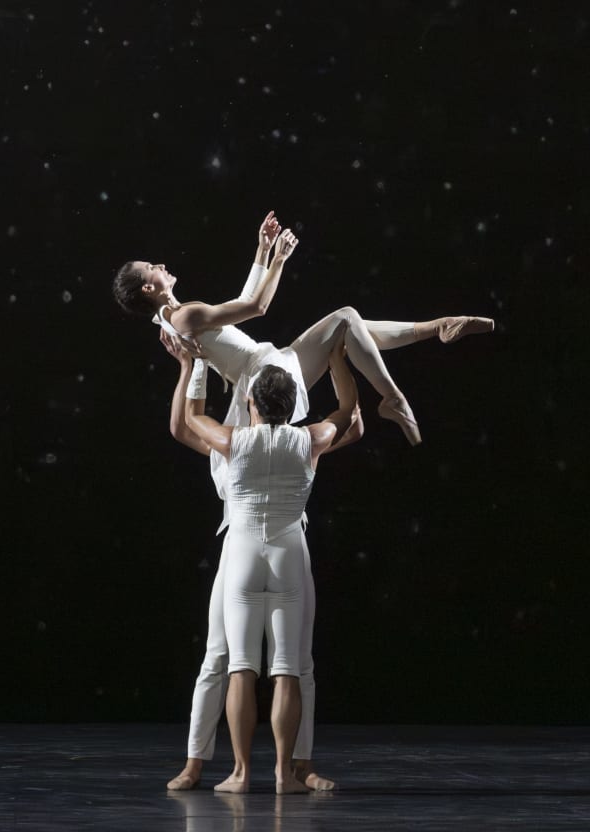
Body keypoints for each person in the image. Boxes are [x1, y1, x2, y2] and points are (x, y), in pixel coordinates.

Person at [161, 328, 363, 793]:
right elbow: (346, 413)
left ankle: (240, 772)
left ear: (251, 402)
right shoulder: (309, 440)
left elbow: (191, 417)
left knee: (242, 667)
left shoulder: (233, 441)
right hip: (290, 554)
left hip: (244, 554)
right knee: (288, 666)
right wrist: (336, 361)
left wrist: (191, 368)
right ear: (293, 406)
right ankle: (280, 775)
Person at [113, 210, 494, 447]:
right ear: (149, 288)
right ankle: (394, 394)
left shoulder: (176, 319)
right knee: (345, 319)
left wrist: (262, 251)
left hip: (271, 362)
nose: (161, 265)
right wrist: (279, 259)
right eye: (153, 267)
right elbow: (257, 307)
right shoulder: (185, 317)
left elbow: (242, 305)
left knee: (348, 323)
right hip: (267, 374)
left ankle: (436, 328)